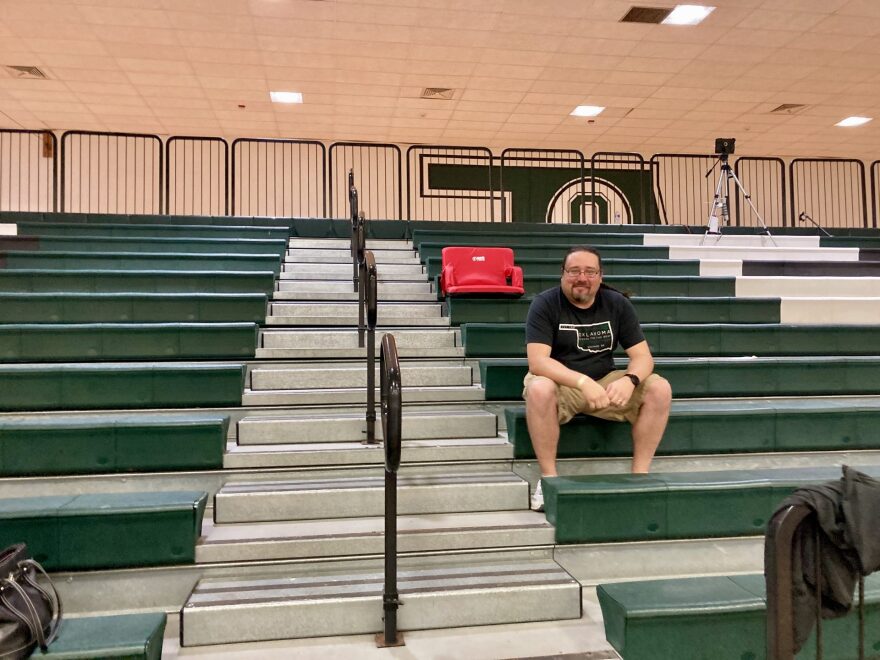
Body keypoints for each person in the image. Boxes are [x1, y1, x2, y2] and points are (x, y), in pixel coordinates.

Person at [523, 245, 672, 511]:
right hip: (563, 383)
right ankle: (548, 482)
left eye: (590, 272)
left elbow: (643, 357)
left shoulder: (616, 304)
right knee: (538, 388)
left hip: (605, 381)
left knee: (659, 388)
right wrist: (582, 382)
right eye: (574, 271)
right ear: (562, 274)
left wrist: (630, 381)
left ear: (600, 276)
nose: (582, 277)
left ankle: (639, 478)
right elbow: (538, 362)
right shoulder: (545, 303)